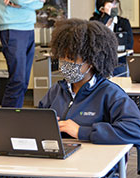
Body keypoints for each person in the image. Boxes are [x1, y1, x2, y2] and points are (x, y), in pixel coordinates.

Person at [39, 18, 140, 147]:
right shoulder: (56, 90)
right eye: (62, 57)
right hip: (58, 159)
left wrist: (81, 132)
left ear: (91, 62)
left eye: (71, 59)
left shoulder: (110, 93)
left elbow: (136, 130)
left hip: (96, 163)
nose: (64, 64)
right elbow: (38, 121)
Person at [0, 0, 45, 107]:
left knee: (24, 82)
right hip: (12, 27)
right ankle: (7, 120)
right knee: (17, 80)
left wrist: (22, 3)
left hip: (29, 27)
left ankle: (16, 116)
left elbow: (40, 3)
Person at [90, 0, 134, 76]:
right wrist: (106, 16)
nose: (114, 7)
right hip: (99, 63)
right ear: (102, 8)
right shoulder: (94, 22)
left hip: (119, 62)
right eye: (111, 5)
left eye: (116, 4)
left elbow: (129, 44)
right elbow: (92, 40)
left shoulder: (124, 22)